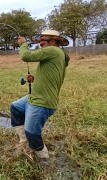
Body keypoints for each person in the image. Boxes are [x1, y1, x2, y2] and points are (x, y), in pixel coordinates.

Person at [11, 30, 70, 159]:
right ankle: (23, 142)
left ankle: (45, 160)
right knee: (15, 107)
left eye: (44, 39)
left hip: (42, 102)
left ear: (53, 41)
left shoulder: (53, 50)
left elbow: (26, 56)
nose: (40, 42)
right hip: (35, 97)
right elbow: (51, 77)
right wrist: (34, 79)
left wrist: (23, 44)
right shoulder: (59, 55)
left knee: (32, 133)